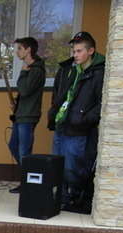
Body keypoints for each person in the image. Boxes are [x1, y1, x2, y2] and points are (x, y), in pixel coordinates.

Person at [48, 31, 104, 214]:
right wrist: (53, 113)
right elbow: (60, 95)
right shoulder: (70, 70)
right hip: (62, 125)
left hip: (79, 129)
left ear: (91, 51)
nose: (75, 55)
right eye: (74, 51)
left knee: (73, 167)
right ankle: (63, 197)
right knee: (58, 165)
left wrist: (84, 119)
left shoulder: (99, 73)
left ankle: (76, 196)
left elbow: (102, 103)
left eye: (79, 51)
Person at [7, 37, 46, 194]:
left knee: (24, 152)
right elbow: (24, 93)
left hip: (28, 116)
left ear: (28, 49)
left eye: (20, 49)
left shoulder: (36, 70)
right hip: (21, 114)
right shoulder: (30, 68)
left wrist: (23, 73)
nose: (17, 52)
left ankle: (28, 183)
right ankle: (28, 178)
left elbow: (25, 90)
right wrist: (17, 105)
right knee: (13, 146)